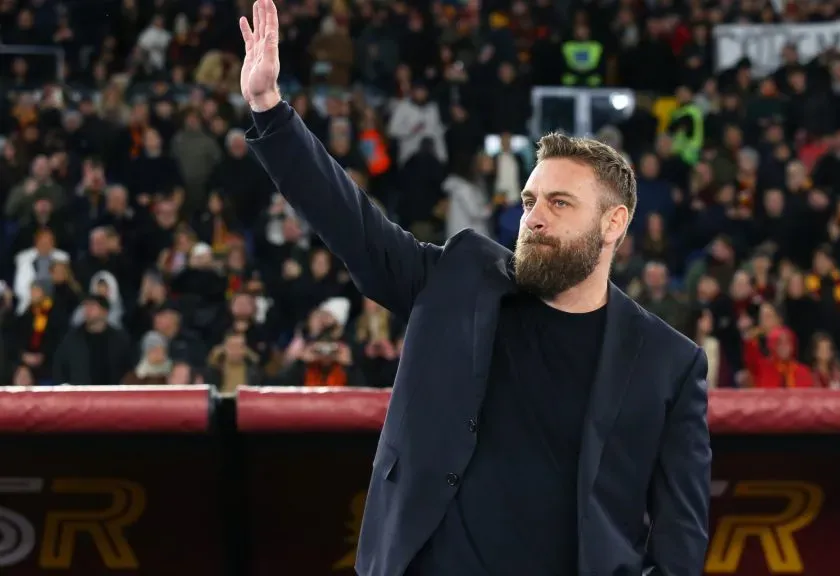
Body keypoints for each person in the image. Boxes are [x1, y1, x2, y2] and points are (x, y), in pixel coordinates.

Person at [238, 2, 711, 575]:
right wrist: (270, 109)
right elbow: (352, 225)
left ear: (614, 223)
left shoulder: (669, 363)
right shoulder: (460, 276)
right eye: (531, 201)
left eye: (560, 203)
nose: (534, 217)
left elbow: (680, 544)